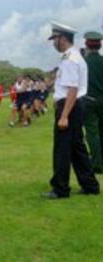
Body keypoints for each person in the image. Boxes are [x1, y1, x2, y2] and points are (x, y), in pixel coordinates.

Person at [41, 22, 100, 199]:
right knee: (77, 148)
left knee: (62, 148)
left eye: (55, 39)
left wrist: (64, 115)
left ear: (63, 39)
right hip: (74, 105)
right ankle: (90, 185)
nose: (53, 43)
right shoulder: (74, 57)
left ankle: (60, 188)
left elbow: (72, 89)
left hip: (70, 106)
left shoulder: (70, 59)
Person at [83, 31, 103, 174]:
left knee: (92, 132)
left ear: (87, 44)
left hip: (89, 101)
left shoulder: (84, 62)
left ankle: (96, 163)